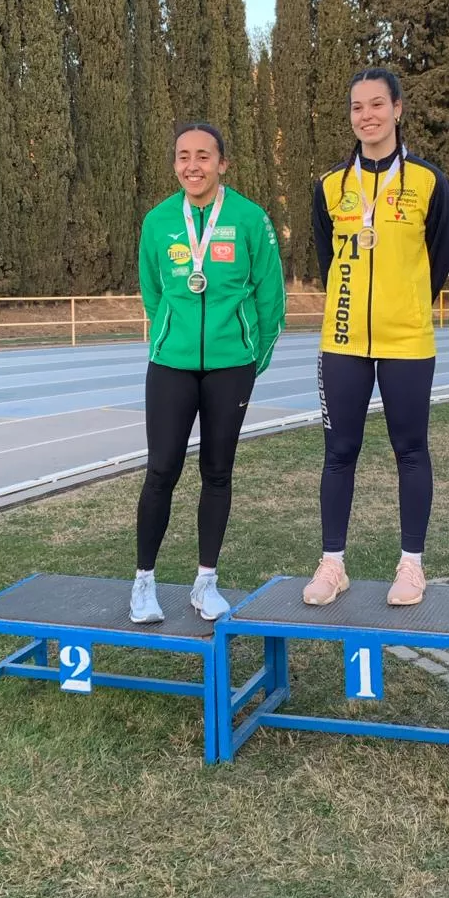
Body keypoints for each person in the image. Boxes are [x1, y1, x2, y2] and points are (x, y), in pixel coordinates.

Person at [303, 68, 449, 609]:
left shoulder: (428, 182)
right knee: (339, 452)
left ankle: (411, 566)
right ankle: (332, 564)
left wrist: (405, 302)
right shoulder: (329, 185)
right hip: (342, 339)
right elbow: (327, 260)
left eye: (376, 105)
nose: (366, 115)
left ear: (397, 110)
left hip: (407, 341)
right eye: (356, 107)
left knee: (410, 450)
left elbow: (436, 262)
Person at [131, 123, 285, 622]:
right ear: (175, 164)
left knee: (217, 472)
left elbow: (269, 296)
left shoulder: (248, 218)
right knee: (161, 471)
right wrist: (166, 337)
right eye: (183, 157)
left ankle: (205, 582)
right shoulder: (157, 221)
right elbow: (153, 292)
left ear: (223, 164)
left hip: (230, 368)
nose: (192, 166)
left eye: (203, 156)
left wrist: (251, 359)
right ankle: (144, 584)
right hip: (171, 365)